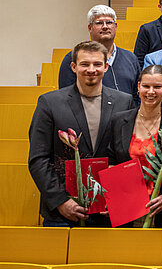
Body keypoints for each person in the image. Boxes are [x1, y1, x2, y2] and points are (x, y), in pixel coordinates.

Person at [29, 41, 135, 226]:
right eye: (85, 64)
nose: (91, 69)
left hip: (109, 212)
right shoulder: (49, 103)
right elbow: (38, 158)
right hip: (64, 213)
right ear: (73, 66)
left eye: (97, 64)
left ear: (106, 67)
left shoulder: (123, 102)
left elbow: (126, 156)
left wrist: (118, 199)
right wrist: (61, 201)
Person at [108, 64, 162, 228]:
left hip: (160, 209)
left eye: (157, 87)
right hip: (126, 211)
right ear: (138, 86)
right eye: (146, 86)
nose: (150, 92)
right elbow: (111, 161)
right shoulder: (119, 121)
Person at [59, 5, 140, 96]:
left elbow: (137, 94)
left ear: (115, 26)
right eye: (99, 23)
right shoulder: (73, 57)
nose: (105, 27)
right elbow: (66, 96)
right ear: (90, 28)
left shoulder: (130, 58)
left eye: (109, 22)